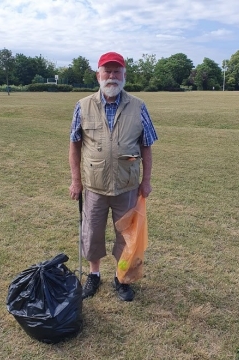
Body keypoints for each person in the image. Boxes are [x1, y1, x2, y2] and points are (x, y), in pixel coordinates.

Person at [69, 51, 158, 301]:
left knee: (126, 236)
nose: (112, 76)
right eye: (107, 71)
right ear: (98, 75)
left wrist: (146, 181)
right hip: (95, 186)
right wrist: (76, 180)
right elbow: (74, 144)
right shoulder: (83, 105)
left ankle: (122, 279)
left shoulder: (138, 106)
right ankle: (94, 275)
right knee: (92, 233)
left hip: (127, 185)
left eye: (116, 71)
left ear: (124, 75)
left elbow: (147, 145)